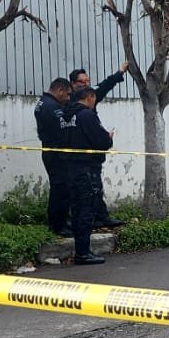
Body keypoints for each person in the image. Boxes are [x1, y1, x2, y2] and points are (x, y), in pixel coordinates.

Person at [68, 65, 127, 227]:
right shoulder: (73, 107)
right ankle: (85, 223)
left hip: (89, 157)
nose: (86, 84)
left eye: (87, 81)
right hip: (79, 158)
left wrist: (120, 73)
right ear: (72, 84)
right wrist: (105, 139)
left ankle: (100, 217)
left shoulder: (86, 103)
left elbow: (104, 86)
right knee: (84, 194)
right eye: (82, 82)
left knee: (94, 189)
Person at [66, 86, 112, 265]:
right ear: (90, 97)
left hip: (70, 167)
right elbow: (102, 141)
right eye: (94, 99)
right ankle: (83, 253)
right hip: (87, 169)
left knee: (77, 209)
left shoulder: (66, 115)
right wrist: (109, 137)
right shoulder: (86, 115)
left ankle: (81, 250)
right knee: (87, 209)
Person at [34, 76, 74, 235]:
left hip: (53, 151)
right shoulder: (51, 107)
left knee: (61, 188)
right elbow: (61, 130)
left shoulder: (45, 103)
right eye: (68, 94)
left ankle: (61, 222)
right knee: (60, 190)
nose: (68, 98)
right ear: (60, 90)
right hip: (56, 153)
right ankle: (58, 225)